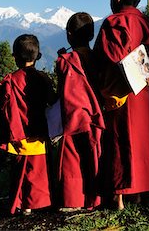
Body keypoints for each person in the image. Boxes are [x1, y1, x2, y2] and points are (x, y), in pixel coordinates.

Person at [93, 0, 149, 210]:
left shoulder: (113, 22)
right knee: (141, 139)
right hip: (142, 91)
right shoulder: (143, 21)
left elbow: (102, 60)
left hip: (119, 93)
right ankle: (138, 193)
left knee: (120, 140)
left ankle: (118, 197)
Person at [0, 34, 56, 214]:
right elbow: (52, 101)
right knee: (40, 170)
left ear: (14, 57)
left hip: (19, 135)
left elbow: (0, 107)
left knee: (21, 170)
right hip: (40, 132)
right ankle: (41, 202)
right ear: (37, 56)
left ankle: (23, 205)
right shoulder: (43, 78)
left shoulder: (10, 81)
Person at [55, 12, 105, 211]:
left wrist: (62, 58)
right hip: (97, 114)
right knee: (95, 157)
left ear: (68, 35)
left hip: (74, 116)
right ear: (91, 36)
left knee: (72, 158)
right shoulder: (99, 58)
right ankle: (97, 198)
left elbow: (62, 89)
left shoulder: (65, 61)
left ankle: (73, 201)